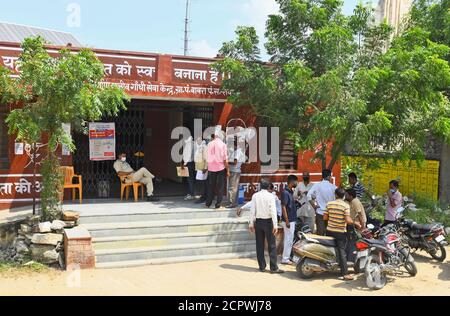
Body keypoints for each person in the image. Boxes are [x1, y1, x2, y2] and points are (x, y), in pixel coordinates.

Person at [248, 179, 284, 274]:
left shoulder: (255, 196)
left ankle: (262, 266)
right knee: (271, 245)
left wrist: (251, 223)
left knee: (259, 245)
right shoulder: (271, 196)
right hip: (268, 222)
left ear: (260, 186)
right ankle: (273, 268)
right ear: (268, 187)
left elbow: (252, 210)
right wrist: (275, 225)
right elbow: (273, 211)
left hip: (258, 222)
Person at [324, 188, 355, 281]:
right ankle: (345, 274)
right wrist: (356, 223)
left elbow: (325, 217)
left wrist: (328, 225)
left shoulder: (329, 204)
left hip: (329, 230)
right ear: (344, 196)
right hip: (340, 232)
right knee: (342, 252)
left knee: (329, 248)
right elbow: (347, 220)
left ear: (336, 195)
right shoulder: (346, 205)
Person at [307, 169, 337, 236]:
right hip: (330, 213)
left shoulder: (317, 186)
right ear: (329, 176)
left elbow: (308, 196)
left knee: (320, 234)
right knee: (330, 234)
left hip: (320, 212)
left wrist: (314, 206)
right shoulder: (334, 187)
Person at [205, 133, 229, 209]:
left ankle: (208, 204)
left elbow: (206, 156)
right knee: (220, 187)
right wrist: (228, 170)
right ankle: (218, 204)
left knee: (211, 186)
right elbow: (225, 160)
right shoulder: (223, 145)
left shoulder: (209, 144)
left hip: (211, 168)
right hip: (220, 168)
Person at [280, 175, 298, 265]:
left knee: (289, 239)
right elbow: (283, 207)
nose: (297, 183)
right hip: (289, 220)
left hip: (291, 219)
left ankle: (287, 257)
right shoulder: (285, 192)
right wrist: (287, 220)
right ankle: (285, 258)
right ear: (292, 182)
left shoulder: (290, 191)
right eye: (296, 182)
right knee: (288, 239)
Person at [345, 188, 366, 263]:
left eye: (346, 194)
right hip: (354, 223)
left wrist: (362, 227)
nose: (345, 195)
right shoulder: (350, 201)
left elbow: (360, 214)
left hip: (358, 224)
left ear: (350, 196)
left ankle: (353, 259)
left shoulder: (355, 201)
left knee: (355, 241)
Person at [226, 141, 245, 208]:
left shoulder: (238, 152)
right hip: (234, 171)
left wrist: (227, 162)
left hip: (234, 171)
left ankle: (232, 203)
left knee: (232, 188)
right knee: (234, 188)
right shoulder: (237, 151)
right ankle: (234, 202)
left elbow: (235, 162)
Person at [194, 137, 208, 204]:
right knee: (200, 182)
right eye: (197, 140)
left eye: (199, 140)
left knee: (202, 183)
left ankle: (203, 197)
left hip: (203, 168)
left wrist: (205, 167)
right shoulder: (199, 147)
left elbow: (206, 158)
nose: (197, 141)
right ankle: (202, 197)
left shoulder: (204, 147)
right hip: (199, 168)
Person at [181, 136, 195, 201]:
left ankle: (191, 194)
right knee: (191, 179)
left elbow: (187, 156)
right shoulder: (193, 144)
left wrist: (184, 164)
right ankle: (191, 193)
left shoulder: (188, 145)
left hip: (188, 164)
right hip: (192, 163)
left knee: (190, 179)